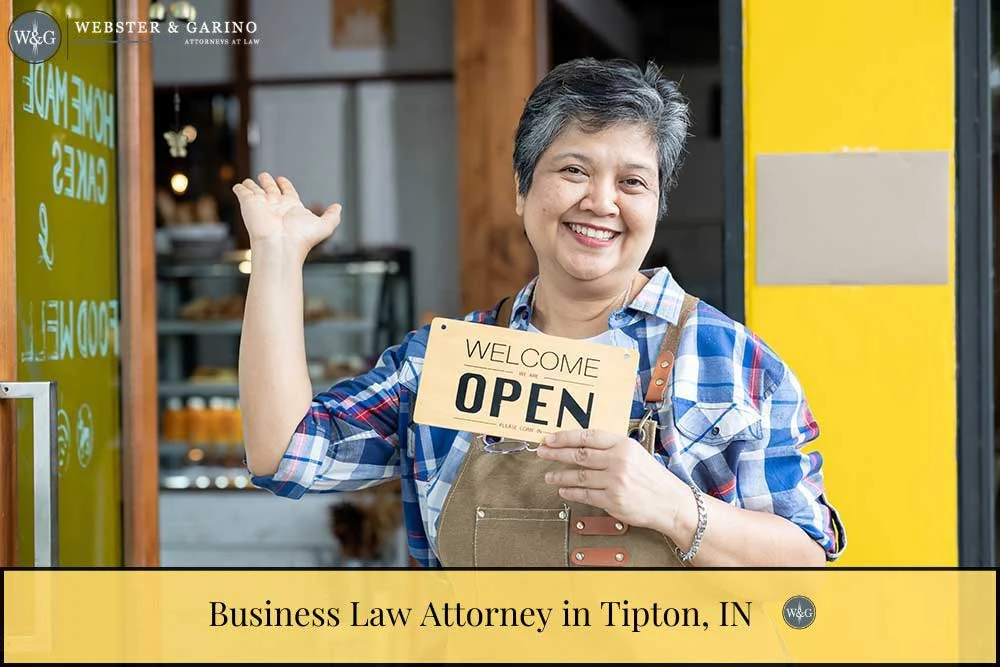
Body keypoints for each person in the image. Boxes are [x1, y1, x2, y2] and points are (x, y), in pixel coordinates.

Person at [232, 58, 845, 568]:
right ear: (522, 190)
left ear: (656, 205)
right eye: (573, 170)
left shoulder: (736, 363)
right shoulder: (444, 362)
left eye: (633, 182)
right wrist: (278, 259)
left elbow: (808, 558)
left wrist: (676, 509)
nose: (600, 202)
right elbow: (286, 454)